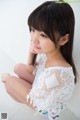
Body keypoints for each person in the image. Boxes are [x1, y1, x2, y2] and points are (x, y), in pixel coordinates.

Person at [2, 1, 77, 120]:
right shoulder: (48, 53)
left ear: (63, 39)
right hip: (43, 86)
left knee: (8, 83)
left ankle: (11, 85)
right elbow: (29, 68)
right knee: (17, 68)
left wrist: (7, 79)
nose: (34, 39)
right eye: (33, 30)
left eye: (43, 35)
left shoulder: (57, 74)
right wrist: (32, 51)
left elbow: (34, 101)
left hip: (45, 107)